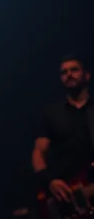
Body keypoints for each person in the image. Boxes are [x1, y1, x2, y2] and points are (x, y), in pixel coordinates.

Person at [32, 54, 94, 205]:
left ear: (86, 75)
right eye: (64, 72)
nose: (69, 75)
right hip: (69, 191)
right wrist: (50, 181)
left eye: (74, 70)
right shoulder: (52, 113)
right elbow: (39, 152)